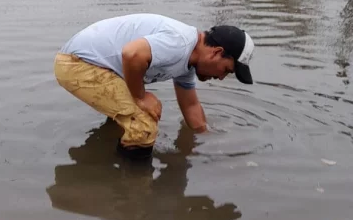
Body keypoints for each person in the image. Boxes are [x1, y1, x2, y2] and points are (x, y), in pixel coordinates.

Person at [54, 14, 255, 159]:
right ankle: (132, 193)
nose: (221, 77)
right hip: (78, 63)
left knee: (128, 115)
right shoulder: (180, 44)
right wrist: (140, 96)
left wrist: (208, 140)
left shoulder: (188, 62)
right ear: (217, 53)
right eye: (227, 70)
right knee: (144, 124)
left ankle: (101, 157)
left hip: (99, 66)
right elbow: (132, 54)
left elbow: (191, 106)